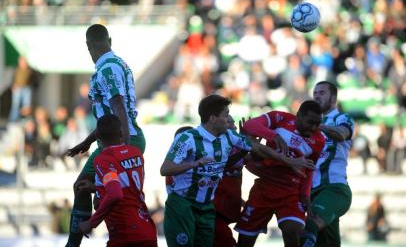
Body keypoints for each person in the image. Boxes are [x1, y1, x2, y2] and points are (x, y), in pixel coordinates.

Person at [160, 94, 314, 247]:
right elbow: (165, 169)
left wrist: (290, 160)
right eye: (226, 115)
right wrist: (194, 164)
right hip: (183, 205)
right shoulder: (188, 139)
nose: (228, 119)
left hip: (206, 208)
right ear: (213, 118)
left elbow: (258, 147)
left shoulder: (228, 136)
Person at [65, 24, 145, 247]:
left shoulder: (107, 69)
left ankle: (73, 244)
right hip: (118, 139)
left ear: (88, 46)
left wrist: (124, 147)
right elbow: (110, 116)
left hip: (121, 141)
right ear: (110, 40)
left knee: (91, 188)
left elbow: (118, 105)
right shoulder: (118, 64)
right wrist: (88, 142)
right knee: (110, 195)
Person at [235, 100, 325, 247]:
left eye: (317, 124)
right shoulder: (280, 118)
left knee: (293, 231)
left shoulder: (319, 140)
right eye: (310, 122)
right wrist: (273, 136)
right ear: (299, 115)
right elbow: (249, 125)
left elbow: (309, 168)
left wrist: (305, 195)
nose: (314, 128)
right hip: (264, 187)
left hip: (290, 191)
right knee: (244, 241)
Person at [79, 114, 157, 247]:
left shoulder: (104, 160)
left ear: (98, 136)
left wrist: (91, 223)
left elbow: (115, 193)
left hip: (125, 234)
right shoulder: (136, 152)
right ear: (121, 133)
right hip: (147, 230)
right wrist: (95, 188)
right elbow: (126, 187)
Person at [300, 81, 355, 247]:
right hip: (312, 191)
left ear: (334, 97)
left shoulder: (342, 118)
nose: (317, 96)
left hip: (334, 189)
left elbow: (341, 134)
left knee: (309, 225)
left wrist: (318, 126)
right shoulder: (309, 125)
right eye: (315, 93)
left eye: (322, 93)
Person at [213, 116, 249, 247]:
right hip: (215, 209)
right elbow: (222, 165)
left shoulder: (238, 146)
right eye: (230, 123)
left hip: (229, 204)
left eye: (234, 124)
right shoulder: (214, 145)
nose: (235, 127)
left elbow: (255, 160)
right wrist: (243, 151)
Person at [8, 56, 37, 122]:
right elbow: (13, 78)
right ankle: (13, 120)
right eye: (21, 61)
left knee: (26, 106)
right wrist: (13, 86)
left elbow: (34, 79)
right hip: (18, 88)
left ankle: (26, 120)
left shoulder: (30, 70)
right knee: (15, 105)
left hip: (26, 88)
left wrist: (31, 85)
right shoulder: (16, 69)